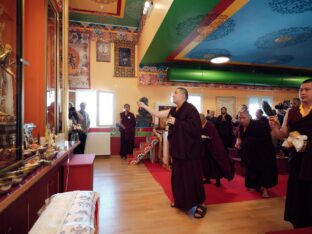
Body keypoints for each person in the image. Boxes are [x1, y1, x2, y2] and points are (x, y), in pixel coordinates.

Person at [137, 87, 207, 218]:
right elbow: (157, 113)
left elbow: (196, 129)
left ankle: (201, 204)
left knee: (193, 178)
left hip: (190, 152)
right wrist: (144, 106)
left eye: (175, 93)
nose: (172, 95)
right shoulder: (174, 110)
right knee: (179, 178)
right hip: (179, 151)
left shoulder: (191, 109)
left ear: (183, 96)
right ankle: (182, 201)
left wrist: (177, 122)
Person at [269, 79, 312, 228]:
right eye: (301, 90)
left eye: (307, 89)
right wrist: (274, 127)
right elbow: (282, 135)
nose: (303, 92)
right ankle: (299, 225)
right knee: (298, 195)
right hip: (298, 161)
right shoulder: (292, 112)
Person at [235, 110, 278, 198]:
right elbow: (239, 137)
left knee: (265, 170)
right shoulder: (240, 127)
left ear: (249, 117)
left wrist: (273, 121)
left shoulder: (258, 124)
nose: (242, 120)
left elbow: (269, 133)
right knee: (251, 169)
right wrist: (238, 143)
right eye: (240, 118)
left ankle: (265, 189)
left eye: (244, 118)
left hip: (264, 152)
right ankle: (255, 185)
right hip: (251, 153)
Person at [199, 114, 235, 187]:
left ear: (204, 119)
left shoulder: (210, 125)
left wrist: (206, 137)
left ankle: (218, 180)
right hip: (205, 148)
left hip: (213, 147)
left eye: (201, 121)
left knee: (215, 164)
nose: (200, 122)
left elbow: (213, 135)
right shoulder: (200, 125)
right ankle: (207, 178)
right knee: (206, 164)